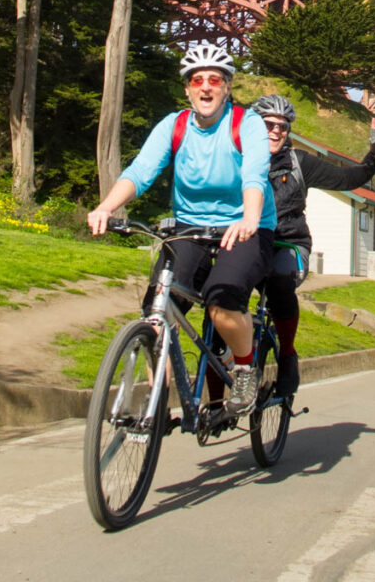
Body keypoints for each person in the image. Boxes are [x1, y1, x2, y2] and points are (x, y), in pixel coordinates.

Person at [87, 43, 277, 417]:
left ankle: (243, 368)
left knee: (222, 305)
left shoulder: (246, 123)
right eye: (197, 80)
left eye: (215, 80)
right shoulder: (174, 125)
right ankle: (160, 395)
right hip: (191, 226)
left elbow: (254, 173)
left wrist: (250, 216)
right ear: (187, 89)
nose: (205, 87)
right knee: (156, 310)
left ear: (227, 87)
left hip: (245, 227)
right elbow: (140, 172)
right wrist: (107, 207)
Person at [251, 93, 375, 396]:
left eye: (283, 127)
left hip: (288, 243)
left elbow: (349, 177)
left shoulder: (299, 163)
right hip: (249, 242)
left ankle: (287, 355)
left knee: (279, 283)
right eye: (269, 124)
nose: (276, 131)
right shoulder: (236, 159)